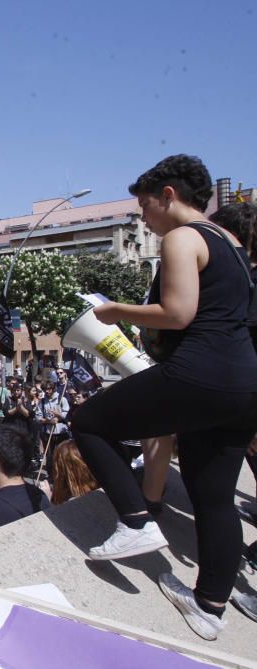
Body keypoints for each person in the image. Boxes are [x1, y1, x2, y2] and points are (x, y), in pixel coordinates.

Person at [72, 155, 257, 640]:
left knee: (89, 422)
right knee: (213, 496)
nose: (144, 218)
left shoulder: (182, 237)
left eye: (145, 206)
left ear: (169, 195)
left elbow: (177, 313)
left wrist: (114, 311)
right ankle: (209, 608)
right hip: (244, 383)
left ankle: (135, 521)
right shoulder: (233, 243)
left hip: (200, 372)